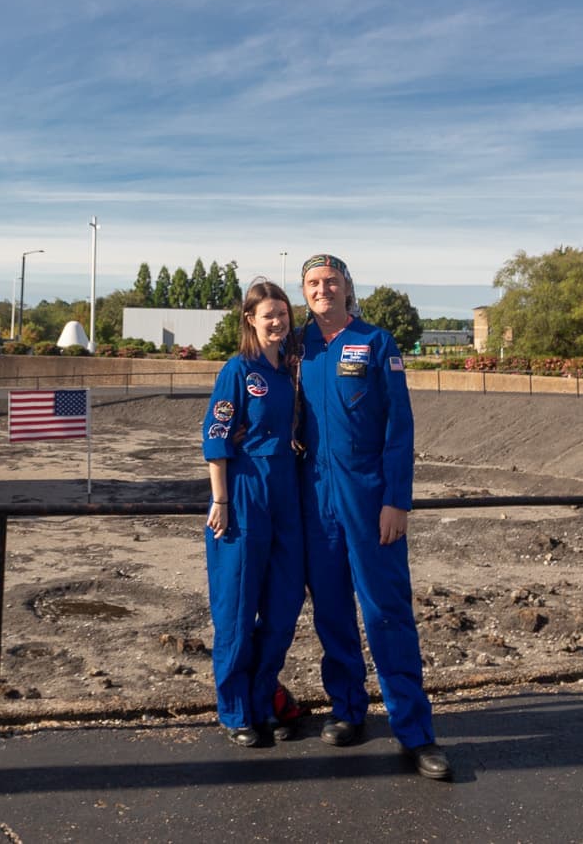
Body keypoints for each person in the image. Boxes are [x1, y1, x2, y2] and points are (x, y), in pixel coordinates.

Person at [296, 253, 450, 780]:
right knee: (332, 610)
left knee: (386, 609)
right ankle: (348, 709)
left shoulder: (376, 342)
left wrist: (396, 500)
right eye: (313, 283)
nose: (322, 290)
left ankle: (414, 729)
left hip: (368, 496)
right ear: (305, 291)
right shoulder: (299, 346)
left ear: (346, 288)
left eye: (330, 282)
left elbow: (399, 427)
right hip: (316, 499)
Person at [201, 279, 306, 747]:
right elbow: (216, 436)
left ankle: (265, 698)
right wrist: (220, 499)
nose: (278, 321)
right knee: (237, 611)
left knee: (284, 606)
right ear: (250, 319)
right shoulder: (237, 370)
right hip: (244, 494)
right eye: (269, 314)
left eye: (283, 313)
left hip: (288, 491)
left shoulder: (291, 370)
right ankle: (236, 710)